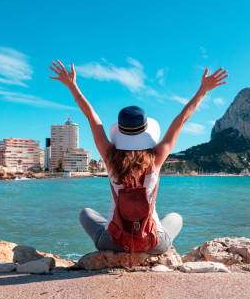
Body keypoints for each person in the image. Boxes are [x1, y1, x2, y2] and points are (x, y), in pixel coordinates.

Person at [49, 60, 228, 254]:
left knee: (85, 213)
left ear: (120, 131)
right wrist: (203, 90)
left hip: (113, 242)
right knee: (176, 217)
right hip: (152, 243)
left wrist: (72, 86)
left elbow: (92, 117)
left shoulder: (109, 157)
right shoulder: (156, 158)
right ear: (145, 131)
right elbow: (181, 120)